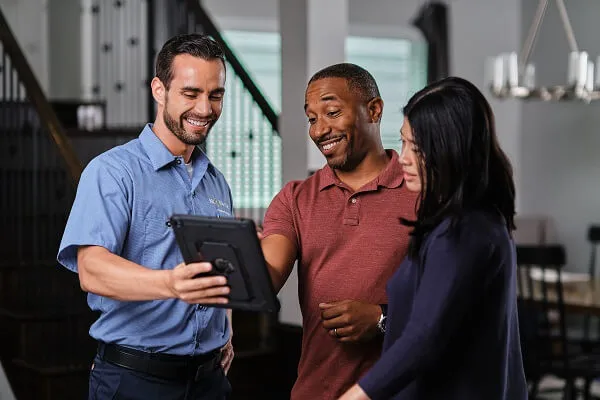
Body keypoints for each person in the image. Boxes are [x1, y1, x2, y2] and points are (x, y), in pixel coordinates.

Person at [57, 33, 235, 400]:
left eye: (215, 95)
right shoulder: (112, 171)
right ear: (159, 89)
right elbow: (91, 269)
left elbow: (219, 270)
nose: (205, 109)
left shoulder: (217, 182)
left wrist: (226, 329)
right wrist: (171, 284)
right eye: (190, 93)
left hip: (209, 381)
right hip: (135, 380)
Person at [339, 77, 528, 399]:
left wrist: (356, 396)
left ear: (451, 151)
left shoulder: (461, 231)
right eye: (403, 143)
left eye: (419, 148)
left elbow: (424, 335)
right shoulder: (478, 220)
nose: (405, 158)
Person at [260, 63, 418, 399]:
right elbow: (264, 277)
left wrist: (381, 319)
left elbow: (451, 306)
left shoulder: (422, 192)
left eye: (332, 112)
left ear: (374, 110)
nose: (319, 130)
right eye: (312, 118)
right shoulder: (294, 198)